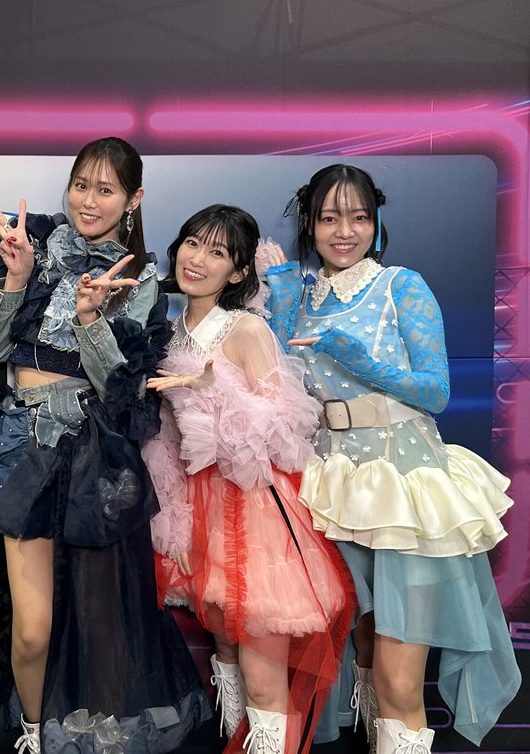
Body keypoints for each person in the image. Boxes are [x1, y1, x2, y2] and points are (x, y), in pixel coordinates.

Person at [0, 137, 210, 754]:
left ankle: (90, 731)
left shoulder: (140, 280)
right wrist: (16, 278)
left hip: (95, 451)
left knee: (102, 619)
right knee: (33, 631)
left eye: (106, 189)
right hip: (24, 445)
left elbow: (121, 388)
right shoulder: (33, 249)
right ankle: (33, 733)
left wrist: (93, 319)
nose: (89, 201)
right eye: (81, 185)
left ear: (133, 199)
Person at [262, 164, 519, 754]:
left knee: (399, 680)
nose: (344, 232)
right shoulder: (301, 293)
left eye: (358, 218)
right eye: (330, 218)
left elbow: (436, 392)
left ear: (376, 223)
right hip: (329, 486)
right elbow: (276, 390)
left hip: (402, 485)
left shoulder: (401, 285)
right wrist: (278, 306)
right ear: (310, 224)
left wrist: (360, 358)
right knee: (357, 648)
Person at [142, 205, 354, 754]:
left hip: (257, 513)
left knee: (262, 677)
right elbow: (165, 443)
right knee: (226, 656)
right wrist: (174, 518)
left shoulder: (246, 329)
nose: (197, 259)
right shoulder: (169, 332)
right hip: (202, 510)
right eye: (192, 243)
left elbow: (286, 433)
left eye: (217, 252)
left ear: (238, 272)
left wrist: (216, 395)